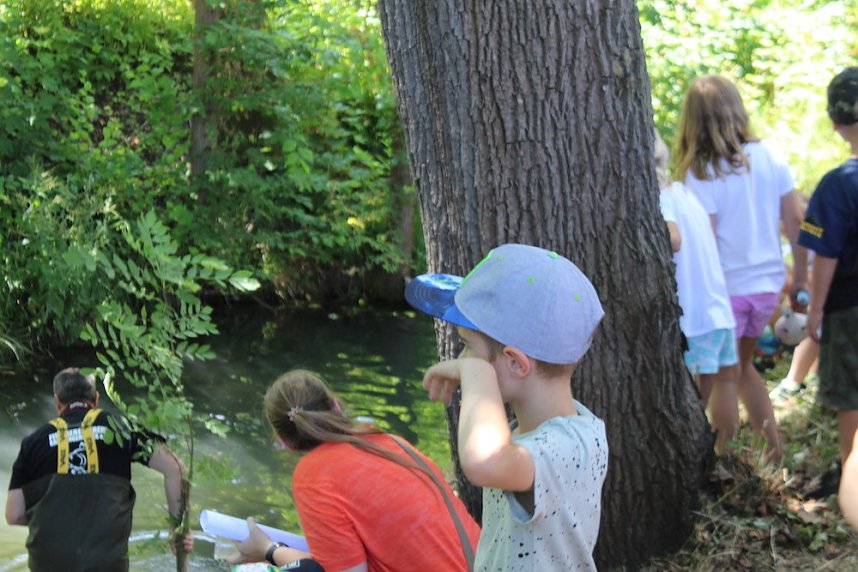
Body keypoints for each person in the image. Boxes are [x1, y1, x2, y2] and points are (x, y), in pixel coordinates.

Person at [405, 243, 608, 571]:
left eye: (466, 346)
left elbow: (485, 462)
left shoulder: (566, 448)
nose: (460, 358)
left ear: (515, 363)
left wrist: (475, 372)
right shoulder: (553, 431)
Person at [674, 74, 808, 463]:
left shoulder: (700, 172)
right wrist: (799, 278)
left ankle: (723, 457)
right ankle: (774, 450)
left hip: (725, 291)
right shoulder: (770, 157)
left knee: (725, 377)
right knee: (743, 367)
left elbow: (704, 241)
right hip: (767, 288)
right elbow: (797, 221)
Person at [229, 369, 480, 572]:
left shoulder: (312, 476)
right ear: (336, 406)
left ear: (284, 441)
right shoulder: (389, 442)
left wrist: (269, 550)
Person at [5, 367, 188, 572]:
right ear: (96, 399)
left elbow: (14, 515)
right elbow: (175, 467)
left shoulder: (32, 443)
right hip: (106, 565)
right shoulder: (121, 427)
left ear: (57, 402)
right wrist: (177, 529)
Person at [654, 132, 739, 454]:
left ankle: (702, 462)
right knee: (720, 389)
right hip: (715, 310)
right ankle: (725, 456)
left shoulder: (661, 196)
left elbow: (673, 238)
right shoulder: (684, 192)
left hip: (694, 320)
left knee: (693, 407)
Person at [797, 66, 858, 470]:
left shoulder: (838, 184)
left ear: (837, 124)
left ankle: (852, 476)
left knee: (852, 395)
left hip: (848, 308)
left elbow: (824, 252)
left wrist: (815, 308)